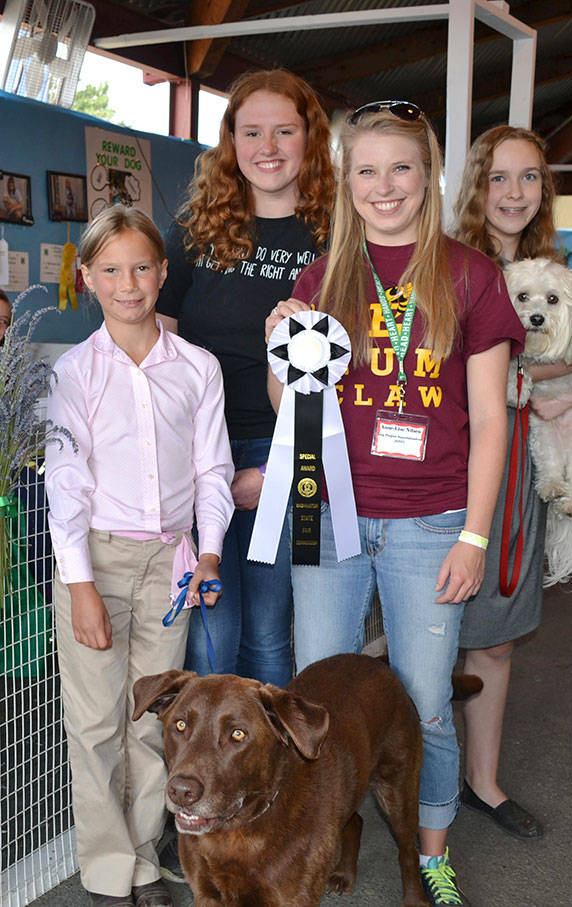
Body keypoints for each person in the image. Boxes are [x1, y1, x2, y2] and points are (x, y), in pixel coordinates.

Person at [266, 101, 525, 906]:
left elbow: (489, 420)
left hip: (433, 520)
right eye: (366, 170)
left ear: (429, 176)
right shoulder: (322, 275)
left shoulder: (469, 275)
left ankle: (434, 856)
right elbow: (289, 411)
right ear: (346, 181)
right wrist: (282, 349)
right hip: (333, 514)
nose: (385, 187)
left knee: (426, 704)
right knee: (314, 702)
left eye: (401, 168)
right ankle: (319, 836)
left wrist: (475, 536)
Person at [45, 205, 234, 907]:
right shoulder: (74, 372)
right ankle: (107, 869)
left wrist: (209, 554)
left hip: (172, 565)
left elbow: (213, 470)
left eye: (143, 267)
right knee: (95, 721)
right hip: (96, 559)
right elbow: (67, 483)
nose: (130, 284)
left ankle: (147, 857)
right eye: (113, 269)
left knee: (156, 718)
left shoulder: (197, 368)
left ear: (162, 272)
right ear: (88, 277)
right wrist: (81, 586)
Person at [156, 69, 334, 686]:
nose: (269, 147)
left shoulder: (337, 239)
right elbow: (159, 352)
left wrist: (281, 468)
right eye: (251, 131)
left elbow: (344, 376)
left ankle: (274, 783)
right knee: (209, 642)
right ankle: (211, 781)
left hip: (282, 452)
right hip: (197, 455)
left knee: (266, 638)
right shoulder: (193, 233)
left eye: (285, 131)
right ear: (229, 141)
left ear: (310, 140)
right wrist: (187, 460)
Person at [453, 125, 572, 839]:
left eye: (529, 178)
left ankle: (482, 779)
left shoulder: (556, 271)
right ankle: (407, 776)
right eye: (500, 178)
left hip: (520, 473)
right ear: (478, 185)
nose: (514, 193)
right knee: (419, 634)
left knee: (496, 639)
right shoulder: (446, 264)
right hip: (449, 467)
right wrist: (533, 378)